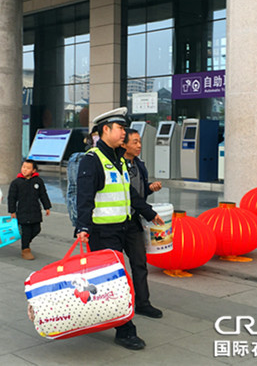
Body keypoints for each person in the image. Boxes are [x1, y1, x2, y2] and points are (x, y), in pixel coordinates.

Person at [75, 107, 164, 351]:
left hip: (127, 226)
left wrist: (149, 213)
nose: (124, 133)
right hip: (104, 232)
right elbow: (84, 197)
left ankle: (140, 304)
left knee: (138, 265)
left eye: (125, 129)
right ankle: (125, 330)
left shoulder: (120, 160)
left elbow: (131, 195)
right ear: (106, 129)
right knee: (116, 281)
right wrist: (82, 226)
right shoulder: (92, 160)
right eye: (121, 128)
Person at [121, 128, 164, 319]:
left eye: (140, 142)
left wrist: (150, 188)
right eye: (135, 142)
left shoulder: (139, 165)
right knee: (113, 268)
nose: (139, 146)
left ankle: (143, 303)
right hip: (113, 223)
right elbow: (127, 194)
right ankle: (116, 304)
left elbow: (139, 194)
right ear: (124, 144)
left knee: (139, 263)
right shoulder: (116, 165)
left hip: (133, 222)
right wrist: (149, 212)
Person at [8, 160, 52, 260]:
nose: (25, 169)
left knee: (37, 229)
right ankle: (25, 249)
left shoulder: (38, 181)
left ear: (33, 170)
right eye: (23, 167)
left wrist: (47, 207)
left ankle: (26, 241)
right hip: (23, 211)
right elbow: (12, 198)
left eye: (28, 168)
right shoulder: (16, 182)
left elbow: (43, 194)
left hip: (35, 210)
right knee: (26, 231)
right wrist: (12, 211)